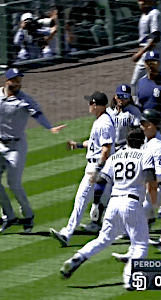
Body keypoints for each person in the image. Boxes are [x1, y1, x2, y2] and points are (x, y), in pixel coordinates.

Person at [58, 127, 157, 291]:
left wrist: (97, 204)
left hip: (113, 203)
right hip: (132, 203)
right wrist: (153, 207)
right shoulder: (146, 156)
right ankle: (129, 278)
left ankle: (78, 257)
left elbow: (101, 181)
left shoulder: (115, 156)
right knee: (140, 244)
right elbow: (151, 184)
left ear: (127, 141)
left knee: (103, 239)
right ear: (143, 141)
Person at [0, 68, 66, 234]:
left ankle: (28, 216)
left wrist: (50, 128)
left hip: (16, 147)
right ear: (7, 81)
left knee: (14, 184)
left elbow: (38, 114)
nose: (18, 83)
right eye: (15, 80)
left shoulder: (25, 100)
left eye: (19, 80)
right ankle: (9, 217)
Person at [49, 91, 115, 247]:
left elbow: (106, 148)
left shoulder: (104, 123)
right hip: (100, 166)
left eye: (91, 103)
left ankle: (67, 233)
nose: (89, 106)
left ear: (98, 106)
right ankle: (121, 231)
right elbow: (95, 144)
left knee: (81, 200)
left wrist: (97, 168)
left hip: (98, 167)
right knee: (109, 201)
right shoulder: (101, 120)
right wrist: (78, 145)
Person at [80, 84, 141, 233]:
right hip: (113, 153)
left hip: (125, 153)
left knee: (119, 193)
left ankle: (125, 226)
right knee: (106, 191)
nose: (122, 99)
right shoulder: (111, 112)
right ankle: (98, 223)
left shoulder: (133, 112)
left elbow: (138, 134)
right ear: (115, 96)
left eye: (125, 97)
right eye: (120, 96)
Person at [130, 0, 161, 96]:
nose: (141, 3)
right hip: (148, 52)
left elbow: (156, 37)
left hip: (154, 53)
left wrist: (140, 53)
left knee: (137, 83)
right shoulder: (144, 15)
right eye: (139, 0)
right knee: (153, 81)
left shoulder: (154, 14)